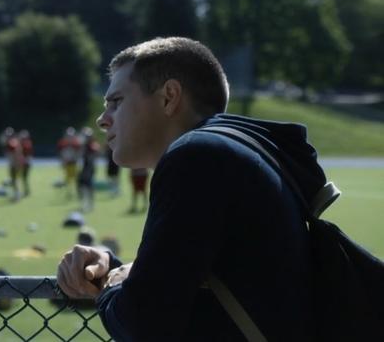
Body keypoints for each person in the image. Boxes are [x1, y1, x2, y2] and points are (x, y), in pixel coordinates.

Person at [57, 37, 313, 340]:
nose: (102, 120)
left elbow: (142, 323)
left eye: (116, 102)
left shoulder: (196, 156)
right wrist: (113, 267)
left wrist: (112, 282)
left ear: (169, 97)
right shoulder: (231, 152)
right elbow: (187, 277)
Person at [76, 128, 99, 213]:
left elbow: (93, 157)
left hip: (88, 169)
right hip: (83, 169)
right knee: (82, 187)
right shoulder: (83, 146)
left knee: (89, 187)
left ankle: (90, 204)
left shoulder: (92, 146)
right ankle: (84, 203)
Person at [55, 127, 81, 196]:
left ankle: (76, 191)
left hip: (74, 162)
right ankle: (69, 191)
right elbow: (60, 153)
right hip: (67, 163)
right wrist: (61, 161)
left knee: (75, 178)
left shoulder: (76, 143)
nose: (70, 137)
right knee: (67, 178)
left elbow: (78, 153)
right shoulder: (62, 143)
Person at [18, 129, 34, 197]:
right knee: (23, 178)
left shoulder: (27, 144)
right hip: (23, 163)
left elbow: (27, 155)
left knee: (24, 178)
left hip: (25, 163)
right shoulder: (21, 143)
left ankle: (26, 191)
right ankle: (25, 190)